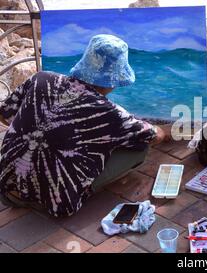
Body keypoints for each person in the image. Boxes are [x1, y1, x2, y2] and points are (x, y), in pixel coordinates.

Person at [0, 34, 170, 217]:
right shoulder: (110, 113)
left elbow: (4, 115)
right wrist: (174, 129)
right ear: (114, 79)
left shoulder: (41, 78)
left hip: (6, 184)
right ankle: (81, 191)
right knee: (139, 147)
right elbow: (155, 136)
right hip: (56, 203)